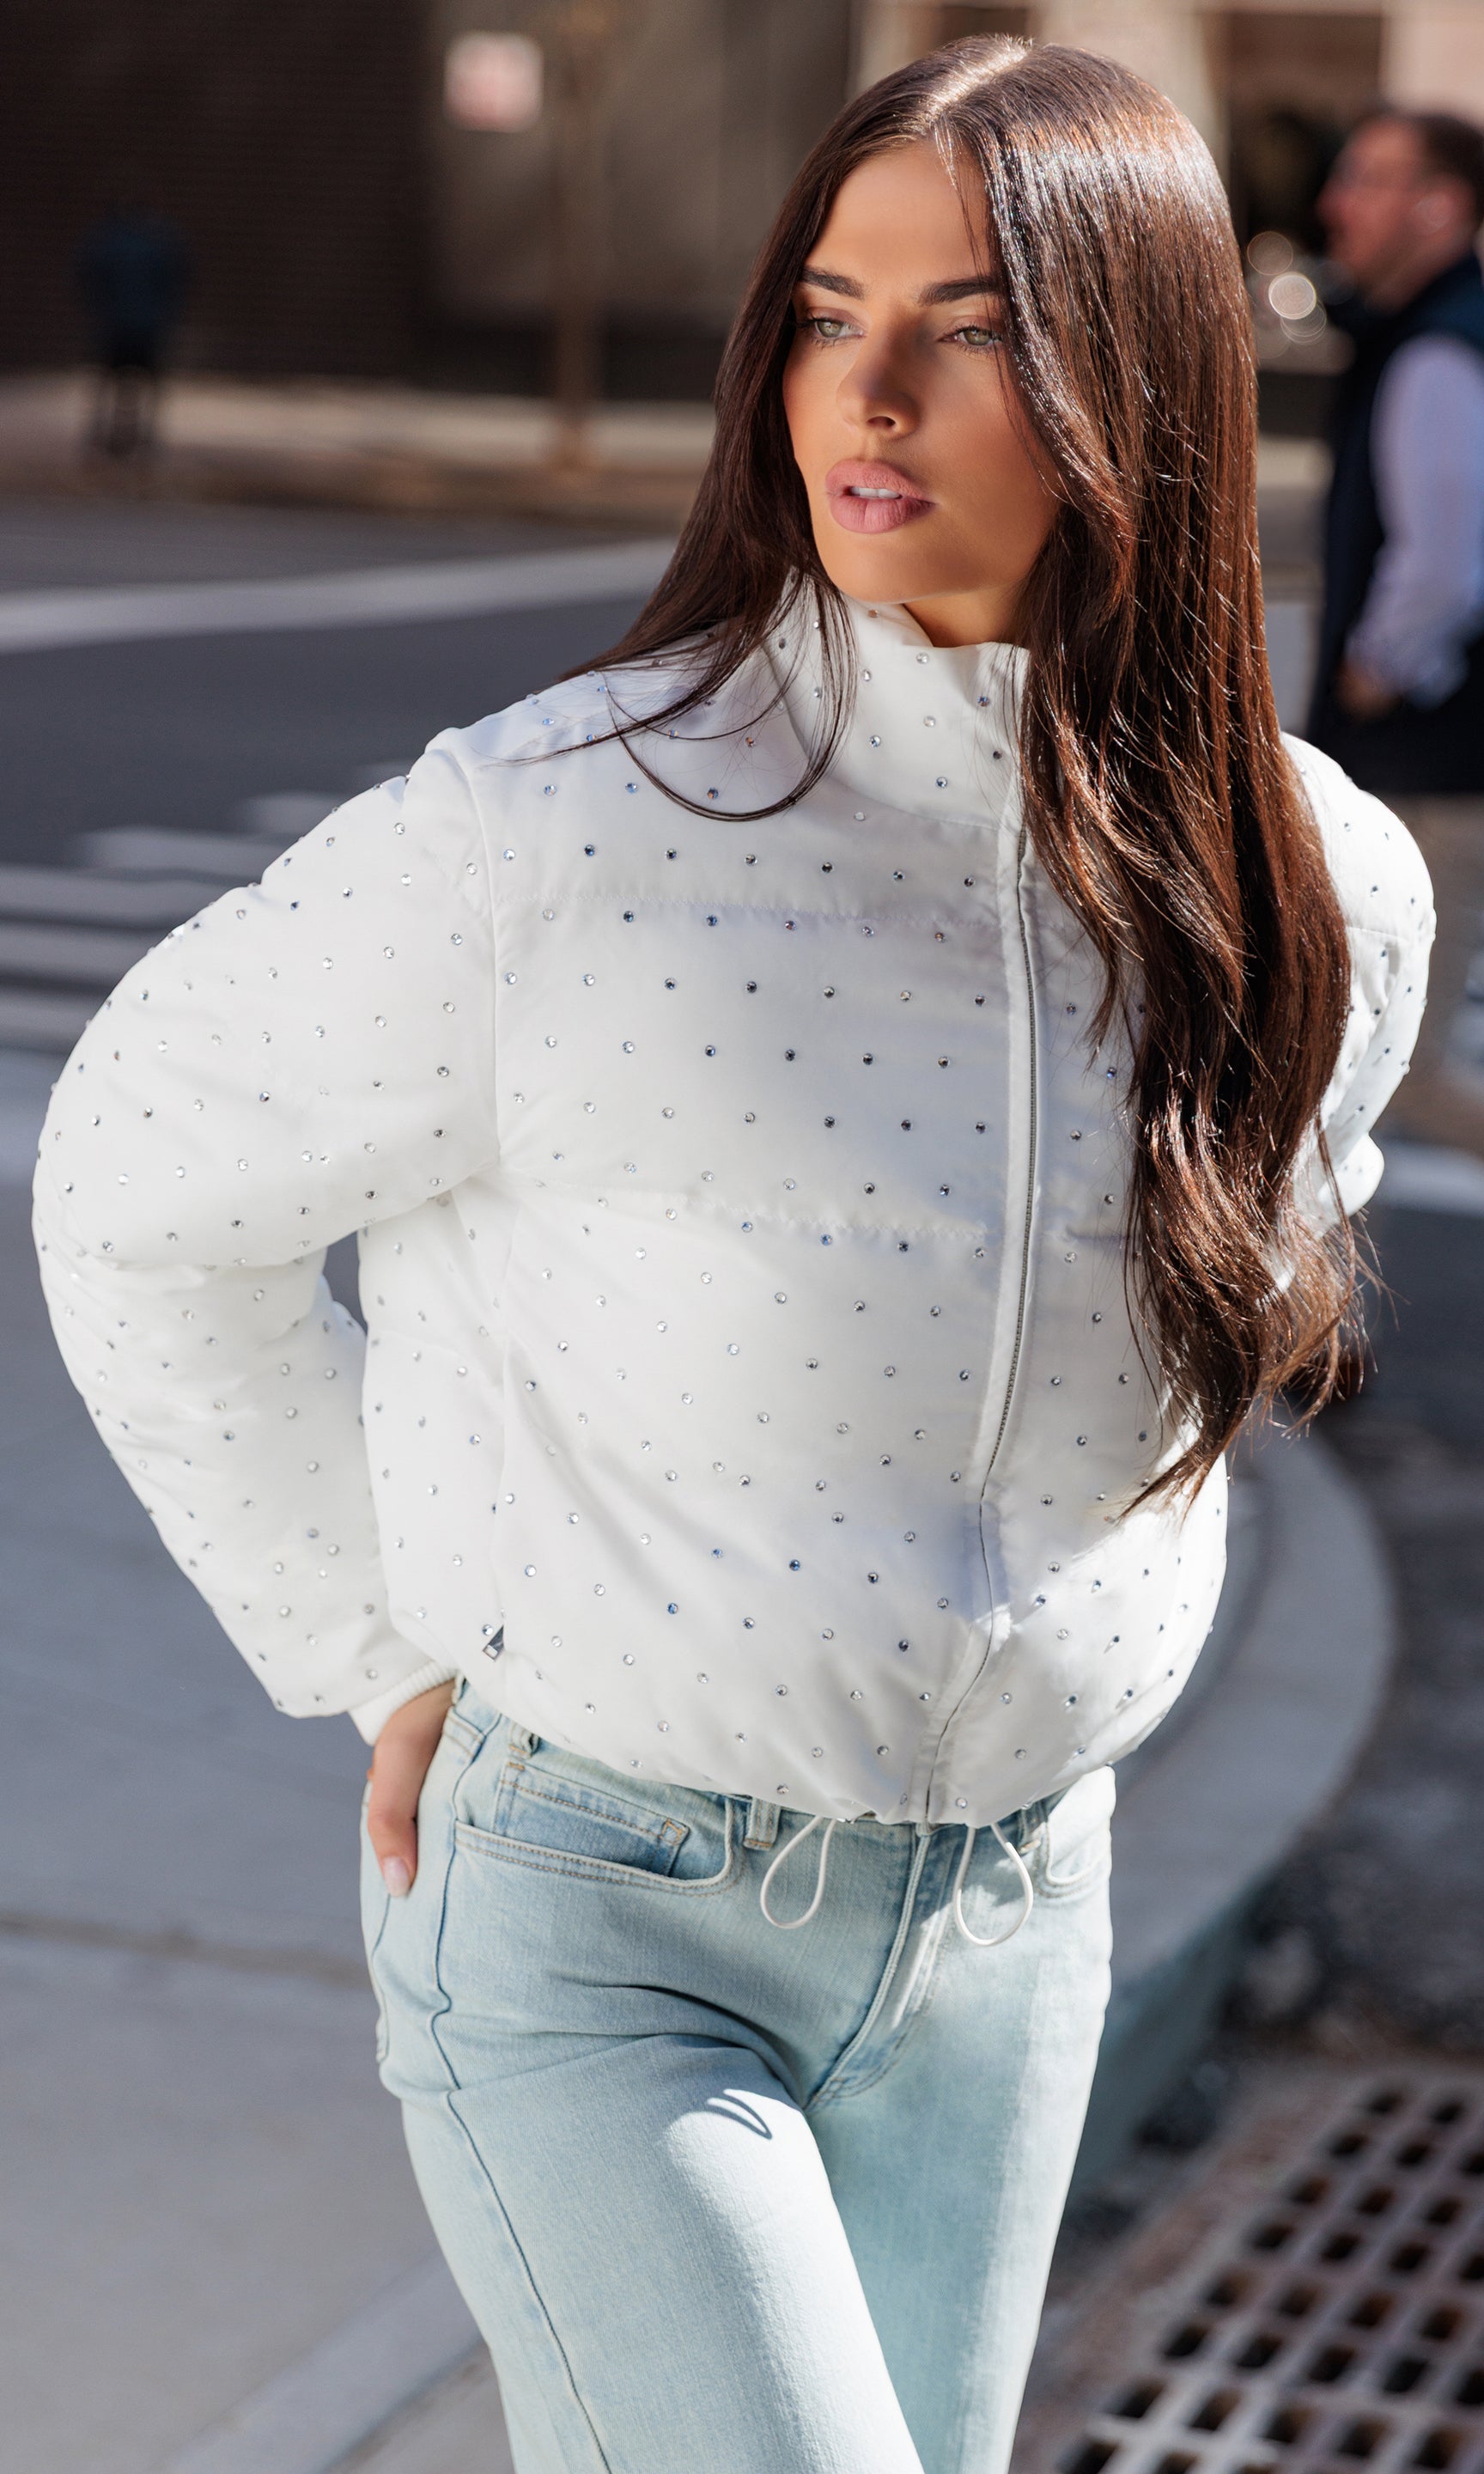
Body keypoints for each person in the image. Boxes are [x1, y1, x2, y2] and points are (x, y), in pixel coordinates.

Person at [34, 40, 1432, 2474]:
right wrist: (366, 1633)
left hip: (1014, 1925)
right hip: (602, 1930)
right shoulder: (563, 833)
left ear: (1151, 380)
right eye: (820, 307)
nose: (864, 390)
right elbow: (135, 1185)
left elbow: (1270, 1259)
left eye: (974, 325)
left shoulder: (1315, 885)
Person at [1309, 108, 1484, 795]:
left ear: (1438, 207)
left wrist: (1375, 671)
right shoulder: (1431, 332)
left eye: (1365, 180)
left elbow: (1443, 567)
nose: (1334, 203)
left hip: (1427, 762)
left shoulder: (1438, 349)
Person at [76, 204, 190, 460]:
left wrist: (100, 309)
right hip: (149, 326)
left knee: (107, 380)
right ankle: (146, 436)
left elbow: (86, 275)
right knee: (150, 382)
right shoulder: (160, 242)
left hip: (114, 325)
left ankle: (102, 434)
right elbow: (178, 279)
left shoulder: (106, 241)